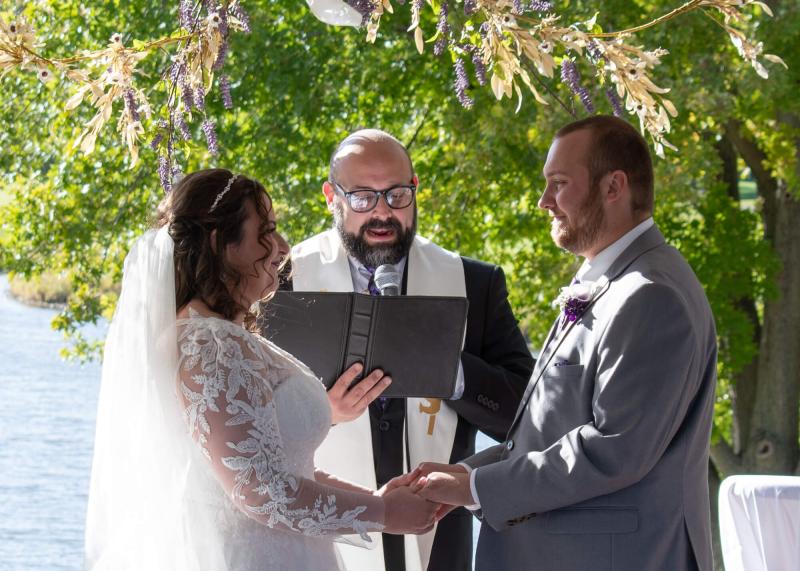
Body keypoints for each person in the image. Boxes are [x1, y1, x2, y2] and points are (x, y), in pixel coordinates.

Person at [83, 169, 440, 571]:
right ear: (222, 243)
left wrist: (379, 499)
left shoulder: (220, 336)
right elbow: (261, 493)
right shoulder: (211, 345)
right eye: (265, 233)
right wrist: (384, 514)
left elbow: (281, 466)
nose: (282, 247)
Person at [412, 116, 718, 570]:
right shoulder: (614, 281)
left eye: (558, 183)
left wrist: (478, 490)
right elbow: (550, 428)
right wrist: (471, 471)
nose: (544, 202)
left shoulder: (651, 295)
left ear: (614, 186)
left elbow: (614, 449)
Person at [280, 130, 535, 571]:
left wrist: (449, 370)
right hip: (320, 542)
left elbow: (528, 411)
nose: (382, 212)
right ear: (330, 197)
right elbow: (245, 426)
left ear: (415, 189)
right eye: (362, 197)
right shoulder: (282, 283)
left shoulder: (475, 283)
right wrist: (322, 410)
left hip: (440, 542)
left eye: (397, 195)